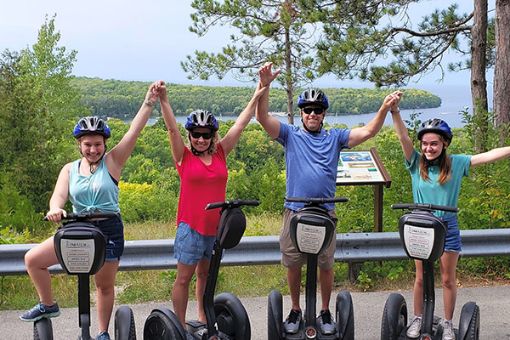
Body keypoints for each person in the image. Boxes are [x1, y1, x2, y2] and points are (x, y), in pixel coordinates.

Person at [256, 62, 402, 335]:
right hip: (295, 210)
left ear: (324, 114)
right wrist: (264, 87)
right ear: (301, 113)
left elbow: (368, 131)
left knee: (325, 264)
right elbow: (262, 118)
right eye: (308, 110)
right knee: (293, 262)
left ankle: (324, 310)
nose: (312, 114)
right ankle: (296, 309)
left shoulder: (335, 137)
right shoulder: (290, 135)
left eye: (317, 110)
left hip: (325, 213)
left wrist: (384, 108)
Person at [20, 83, 160, 340]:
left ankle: (102, 333)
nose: (93, 149)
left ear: (104, 143)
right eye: (87, 144)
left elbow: (134, 130)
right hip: (76, 229)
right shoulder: (69, 169)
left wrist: (149, 101)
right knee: (32, 260)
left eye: (97, 144)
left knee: (103, 286)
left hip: (108, 230)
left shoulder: (113, 162)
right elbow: (58, 197)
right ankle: (48, 304)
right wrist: (55, 210)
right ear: (79, 145)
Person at [391, 103, 510, 340]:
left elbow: (485, 157)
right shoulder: (415, 163)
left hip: (447, 226)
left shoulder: (455, 163)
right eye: (425, 143)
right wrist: (395, 112)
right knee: (421, 278)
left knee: (447, 279)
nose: (428, 148)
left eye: (434, 143)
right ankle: (417, 317)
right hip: (422, 226)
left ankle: (446, 323)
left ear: (444, 143)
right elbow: (403, 136)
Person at [156, 80, 268, 328]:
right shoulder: (183, 157)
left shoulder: (220, 153)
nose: (201, 139)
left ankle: (205, 318)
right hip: (191, 228)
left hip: (215, 229)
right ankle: (181, 325)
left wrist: (258, 93)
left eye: (206, 135)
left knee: (205, 276)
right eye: (196, 135)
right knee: (184, 279)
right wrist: (164, 100)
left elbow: (241, 123)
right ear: (191, 136)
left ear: (212, 135)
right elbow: (172, 130)